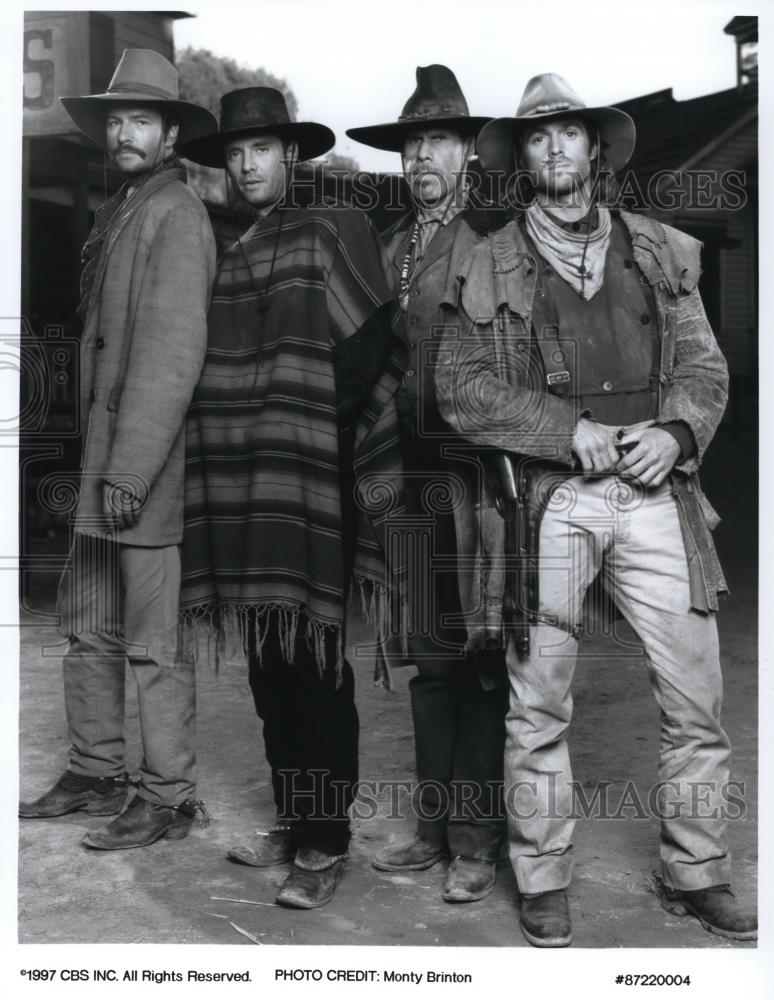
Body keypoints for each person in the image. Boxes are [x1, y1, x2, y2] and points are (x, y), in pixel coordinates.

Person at [436, 73, 756, 944]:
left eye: (568, 132)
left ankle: (696, 871)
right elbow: (458, 389)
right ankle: (543, 876)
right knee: (538, 704)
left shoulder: (656, 248)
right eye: (537, 136)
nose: (554, 148)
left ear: (596, 147)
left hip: (655, 494)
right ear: (523, 156)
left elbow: (706, 368)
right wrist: (561, 429)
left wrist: (678, 434)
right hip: (551, 502)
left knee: (696, 700)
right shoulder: (489, 258)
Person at [180, 88, 404, 909]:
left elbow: (371, 345)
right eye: (236, 153)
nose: (247, 165)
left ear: (291, 155)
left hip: (311, 475)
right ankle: (292, 814)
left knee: (313, 661)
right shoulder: (227, 246)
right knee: (268, 662)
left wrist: (300, 417)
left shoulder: (330, 229)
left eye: (262, 150)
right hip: (243, 483)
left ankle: (325, 840)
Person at [19, 49, 218, 849]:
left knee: (152, 643)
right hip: (105, 464)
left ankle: (167, 797)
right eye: (116, 121)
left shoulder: (178, 213)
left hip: (142, 471)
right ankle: (96, 768)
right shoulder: (125, 208)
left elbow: (173, 355)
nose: (124, 133)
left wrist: (131, 470)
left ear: (170, 135)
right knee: (89, 624)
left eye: (141, 120)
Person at [347, 66, 509, 904]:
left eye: (439, 141)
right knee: (431, 660)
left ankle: (477, 843)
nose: (422, 158)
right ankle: (435, 827)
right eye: (411, 144)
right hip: (405, 476)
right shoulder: (388, 247)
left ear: (468, 153)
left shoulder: (495, 242)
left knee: (481, 658)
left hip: (473, 480)